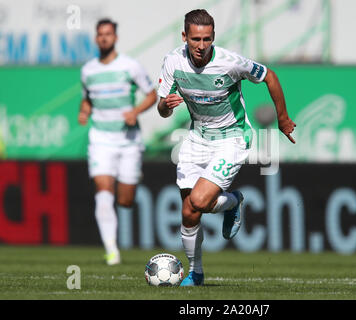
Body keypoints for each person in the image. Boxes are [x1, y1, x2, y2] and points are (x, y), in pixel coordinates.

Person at [157, 9, 296, 286]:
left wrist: (282, 118)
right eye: (195, 39)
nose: (201, 45)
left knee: (198, 201)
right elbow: (162, 110)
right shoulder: (173, 62)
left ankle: (233, 201)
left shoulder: (230, 62)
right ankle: (195, 273)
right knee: (188, 211)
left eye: (207, 39)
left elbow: (270, 76)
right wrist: (165, 106)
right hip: (197, 138)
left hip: (232, 138)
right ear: (185, 36)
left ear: (213, 37)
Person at [78, 18, 157, 265]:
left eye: (108, 34)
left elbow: (152, 94)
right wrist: (84, 110)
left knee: (125, 200)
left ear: (115, 38)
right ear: (95, 38)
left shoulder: (130, 66)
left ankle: (132, 178)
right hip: (100, 138)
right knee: (103, 192)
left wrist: (135, 111)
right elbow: (87, 99)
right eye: (100, 34)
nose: (104, 38)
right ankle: (112, 250)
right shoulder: (88, 70)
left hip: (128, 139)